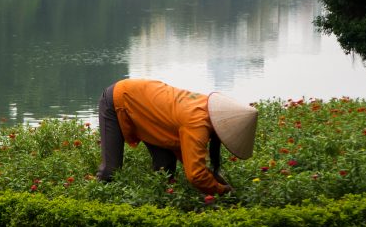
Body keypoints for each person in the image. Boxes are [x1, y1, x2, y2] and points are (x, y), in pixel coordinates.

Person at [96, 78, 258, 195]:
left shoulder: (205, 107)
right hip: (120, 98)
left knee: (164, 167)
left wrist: (222, 185)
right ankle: (97, 202)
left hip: (150, 110)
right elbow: (196, 175)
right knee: (110, 171)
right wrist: (222, 191)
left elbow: (192, 158)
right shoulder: (197, 122)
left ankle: (157, 209)